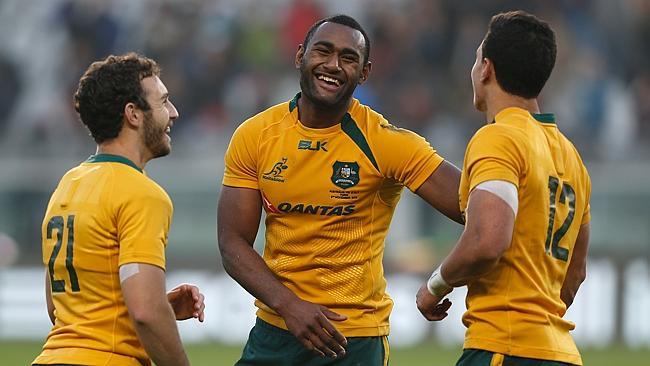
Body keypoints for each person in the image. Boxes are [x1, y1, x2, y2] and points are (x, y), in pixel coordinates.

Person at [218, 14, 463, 366]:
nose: (333, 65)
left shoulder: (386, 142)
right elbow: (232, 242)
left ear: (364, 73)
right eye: (323, 51)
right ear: (300, 55)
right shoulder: (255, 135)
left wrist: (443, 279)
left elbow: (476, 209)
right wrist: (289, 306)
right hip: (275, 329)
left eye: (348, 58)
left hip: (353, 339)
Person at [416, 10, 592, 366]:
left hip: (504, 348)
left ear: (486, 70)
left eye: (476, 58)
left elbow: (487, 239)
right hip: (561, 353)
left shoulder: (498, 138)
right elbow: (576, 273)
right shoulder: (572, 157)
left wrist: (434, 286)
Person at [33, 53, 205, 366]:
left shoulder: (69, 184)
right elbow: (146, 312)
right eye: (163, 102)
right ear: (134, 114)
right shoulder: (142, 193)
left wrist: (159, 304)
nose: (174, 113)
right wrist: (154, 307)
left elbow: (60, 307)